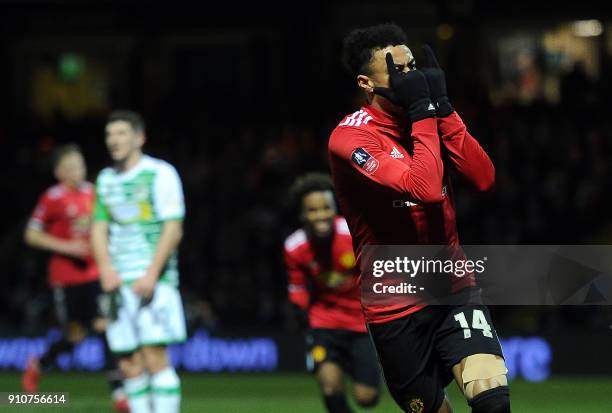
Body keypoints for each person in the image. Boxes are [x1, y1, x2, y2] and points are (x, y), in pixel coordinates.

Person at [328, 23, 510, 413]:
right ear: (366, 83)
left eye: (413, 67)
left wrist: (444, 109)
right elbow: (424, 188)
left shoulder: (428, 115)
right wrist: (425, 114)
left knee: (493, 403)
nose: (410, 77)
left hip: (453, 288)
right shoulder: (350, 138)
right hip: (393, 305)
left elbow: (483, 177)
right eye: (397, 70)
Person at [91, 110, 186, 413]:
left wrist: (152, 274)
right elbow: (98, 227)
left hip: (153, 279)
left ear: (139, 137)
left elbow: (173, 228)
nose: (113, 140)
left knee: (154, 357)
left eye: (120, 133)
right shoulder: (105, 179)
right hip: (118, 282)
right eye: (109, 134)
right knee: (128, 362)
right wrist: (105, 268)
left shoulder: (160, 173)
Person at [22, 144, 129, 412]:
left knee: (107, 329)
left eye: (79, 165)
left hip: (96, 273)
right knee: (75, 336)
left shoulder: (94, 194)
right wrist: (66, 247)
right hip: (67, 278)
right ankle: (40, 364)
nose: (77, 171)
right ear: (59, 172)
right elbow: (31, 235)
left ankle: (119, 396)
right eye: (70, 167)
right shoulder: (52, 198)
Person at [285, 173, 380, 413]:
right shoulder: (294, 247)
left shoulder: (352, 234)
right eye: (313, 210)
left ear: (334, 209)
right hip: (323, 323)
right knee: (329, 386)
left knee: (366, 398)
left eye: (326, 208)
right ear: (302, 215)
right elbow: (297, 289)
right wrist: (303, 319)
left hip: (361, 323)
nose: (320, 216)